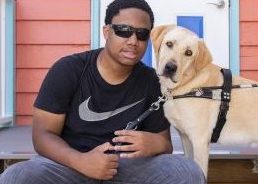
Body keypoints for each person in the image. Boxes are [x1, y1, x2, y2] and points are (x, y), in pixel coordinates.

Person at [0, 0, 205, 183]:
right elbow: (42, 136)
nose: (133, 40)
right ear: (107, 32)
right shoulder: (69, 70)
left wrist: (156, 143)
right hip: (69, 164)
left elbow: (165, 145)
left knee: (188, 172)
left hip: (127, 167)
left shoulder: (153, 81)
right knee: (15, 176)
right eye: (123, 30)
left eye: (142, 34)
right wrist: (81, 161)